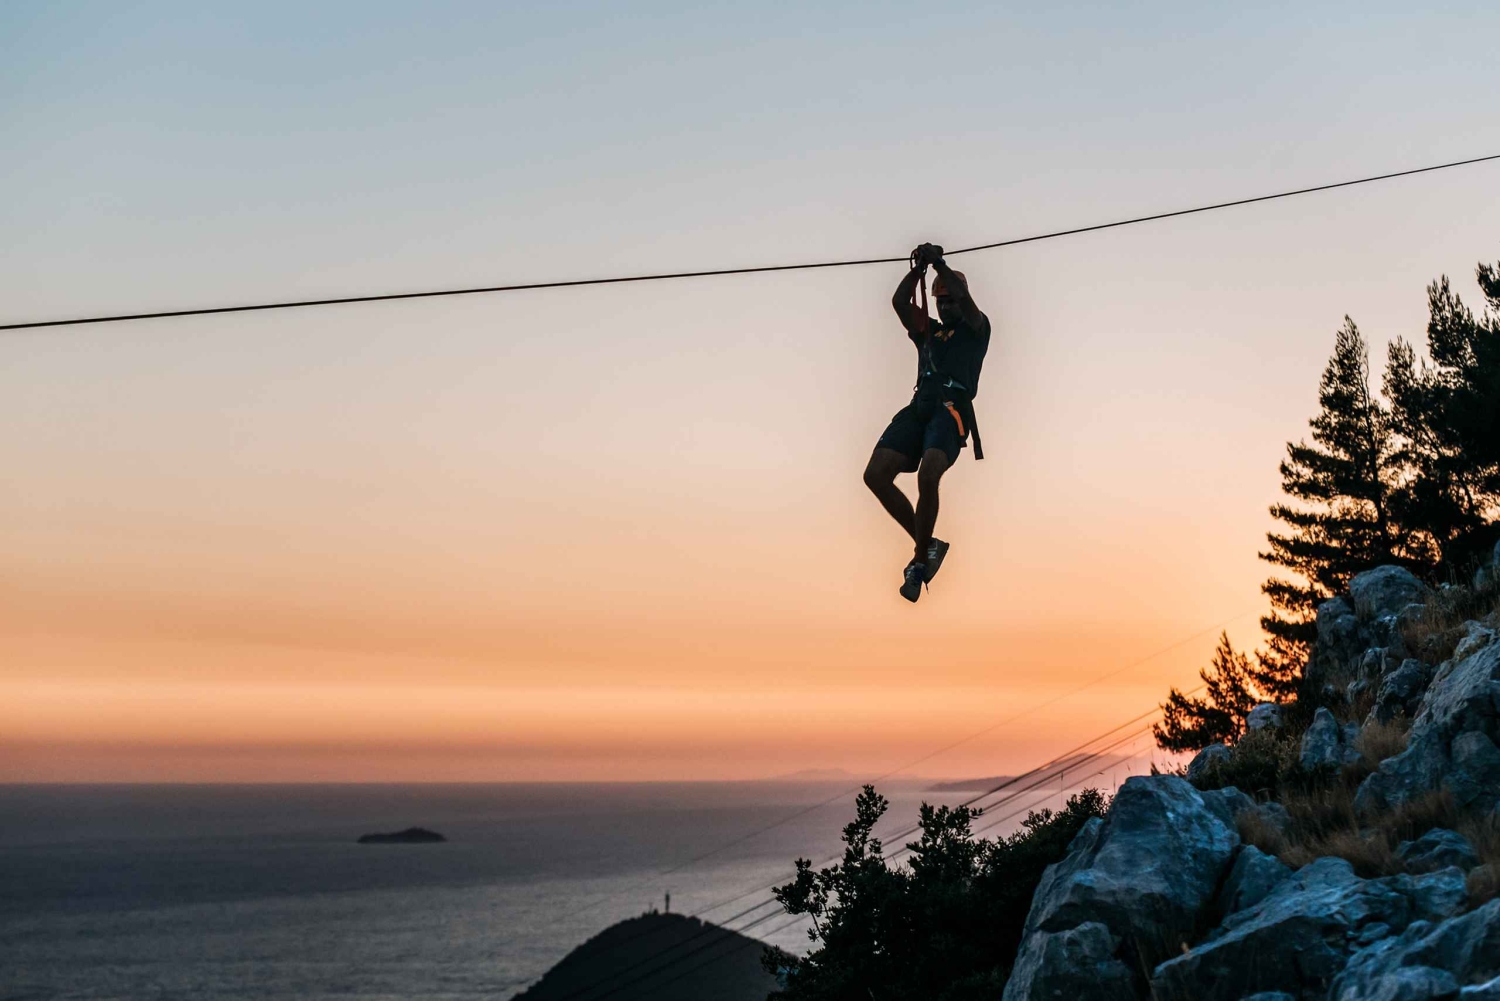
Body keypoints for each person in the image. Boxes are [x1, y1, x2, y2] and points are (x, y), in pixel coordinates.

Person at [862, 243, 991, 602]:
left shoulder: (976, 328)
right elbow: (899, 303)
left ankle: (919, 561)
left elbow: (965, 299)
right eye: (942, 301)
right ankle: (928, 543)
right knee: (875, 475)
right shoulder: (927, 331)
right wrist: (919, 270)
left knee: (928, 474)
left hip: (951, 408)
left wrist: (939, 265)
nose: (947, 306)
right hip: (920, 405)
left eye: (951, 301)